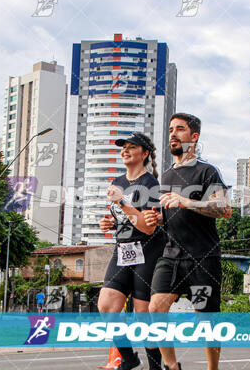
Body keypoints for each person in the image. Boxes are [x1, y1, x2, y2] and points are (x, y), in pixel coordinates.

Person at [143, 113, 232, 370]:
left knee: (206, 320)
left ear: (194, 137)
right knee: (156, 309)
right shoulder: (167, 175)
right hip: (171, 255)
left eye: (180, 129)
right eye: (171, 129)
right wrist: (156, 219)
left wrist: (186, 201)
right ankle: (172, 366)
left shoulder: (207, 171)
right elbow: (169, 213)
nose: (173, 134)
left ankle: (212, 368)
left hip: (203, 256)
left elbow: (224, 208)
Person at [97, 132, 165, 370]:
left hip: (148, 250)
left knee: (143, 316)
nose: (125, 150)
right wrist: (109, 223)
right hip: (123, 248)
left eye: (131, 147)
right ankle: (129, 357)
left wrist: (122, 202)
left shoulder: (150, 185)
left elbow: (147, 227)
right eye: (123, 147)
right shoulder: (117, 182)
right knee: (107, 306)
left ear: (145, 154)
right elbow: (123, 218)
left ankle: (156, 366)